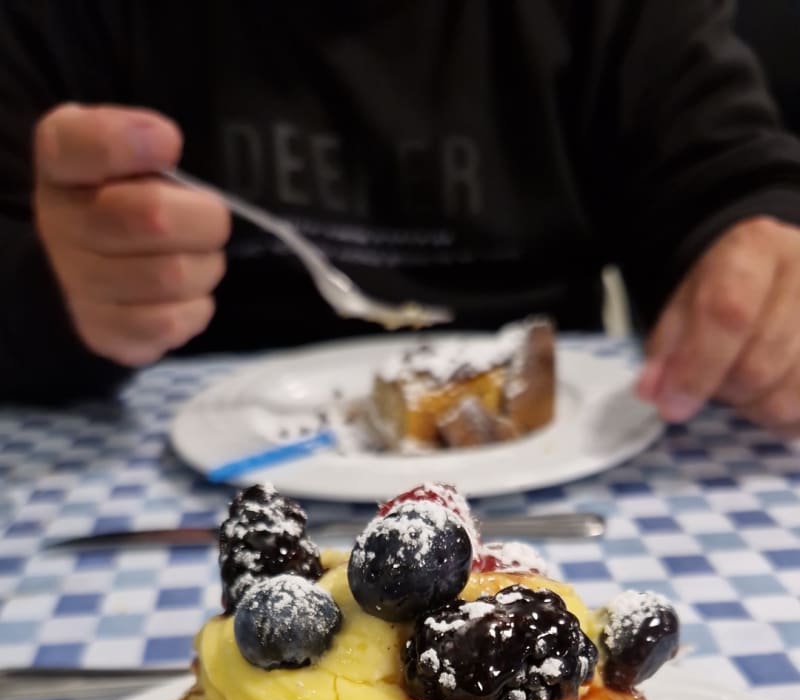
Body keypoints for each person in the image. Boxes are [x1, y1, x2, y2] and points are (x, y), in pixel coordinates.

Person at [4, 1, 800, 436]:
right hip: (167, 486)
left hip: (563, 474)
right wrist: (52, 296)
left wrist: (762, 268)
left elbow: (728, 183)